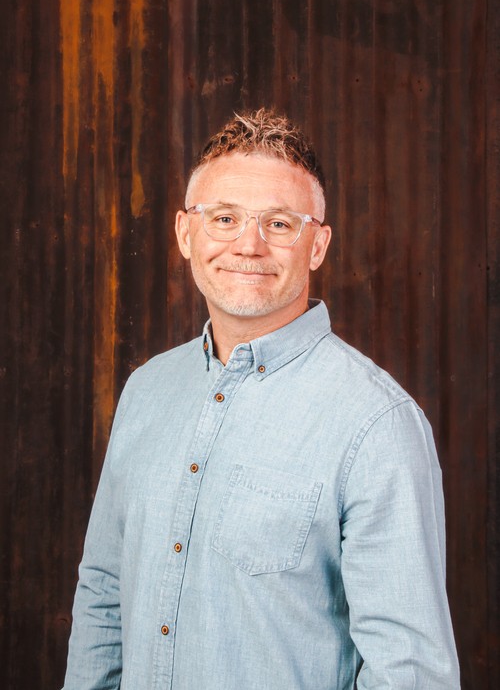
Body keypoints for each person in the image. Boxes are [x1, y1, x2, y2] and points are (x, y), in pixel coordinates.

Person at [63, 109, 460, 689]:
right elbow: (104, 593)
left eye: (278, 224)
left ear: (317, 245)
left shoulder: (378, 423)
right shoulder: (147, 390)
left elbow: (411, 674)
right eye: (224, 218)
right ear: (185, 234)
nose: (248, 245)